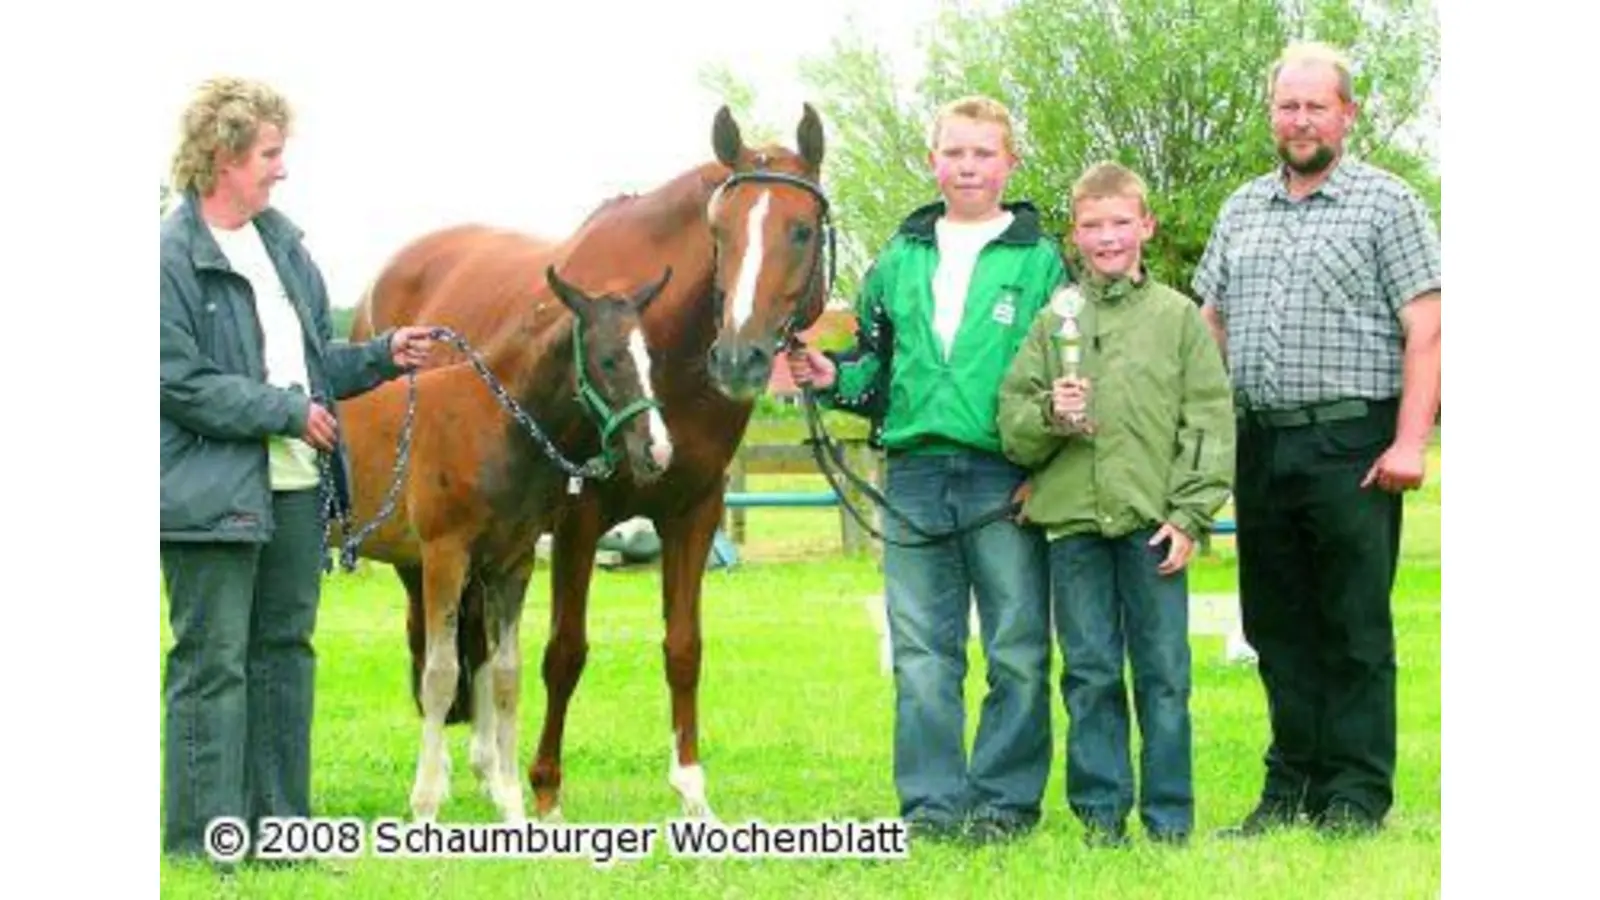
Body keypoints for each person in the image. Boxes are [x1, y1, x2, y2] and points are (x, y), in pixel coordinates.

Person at [159, 76, 435, 861]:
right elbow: (175, 380)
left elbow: (314, 365)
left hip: (291, 490)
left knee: (285, 655)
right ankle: (203, 844)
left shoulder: (283, 245)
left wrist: (382, 356)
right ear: (224, 155)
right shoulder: (168, 255)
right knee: (212, 666)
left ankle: (281, 835)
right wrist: (285, 411)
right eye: (270, 154)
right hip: (207, 494)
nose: (282, 169)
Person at [789, 95, 1068, 845]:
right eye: (955, 152)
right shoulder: (898, 259)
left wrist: (1046, 471)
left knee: (1016, 649)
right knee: (920, 654)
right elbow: (875, 371)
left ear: (1009, 163)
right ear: (933, 160)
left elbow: (1063, 374)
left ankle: (1004, 806)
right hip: (912, 474)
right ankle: (934, 808)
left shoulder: (1041, 260)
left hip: (1003, 477)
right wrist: (830, 376)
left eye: (983, 153)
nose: (969, 166)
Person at [1191, 41, 1442, 836]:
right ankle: (1288, 790)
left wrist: (1411, 442)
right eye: (1287, 106)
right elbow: (1209, 325)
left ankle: (1355, 797)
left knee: (1352, 628)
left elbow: (1427, 327)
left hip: (1353, 445)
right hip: (1259, 445)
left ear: (1347, 113)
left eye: (1314, 106)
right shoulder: (1241, 208)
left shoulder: (1388, 203)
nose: (1299, 120)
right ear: (1273, 114)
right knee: (1276, 627)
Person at [997, 161, 1235, 847]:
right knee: (1091, 671)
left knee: (1164, 674)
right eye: (1093, 226)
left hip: (1154, 527)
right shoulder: (1054, 320)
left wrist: (1188, 514)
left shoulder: (1180, 319)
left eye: (1120, 223)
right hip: (1074, 527)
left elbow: (1210, 422)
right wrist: (1052, 411)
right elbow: (1014, 423)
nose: (1107, 238)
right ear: (1075, 235)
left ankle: (1169, 820)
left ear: (1145, 227)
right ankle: (1101, 818)